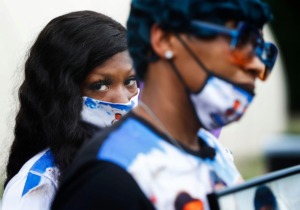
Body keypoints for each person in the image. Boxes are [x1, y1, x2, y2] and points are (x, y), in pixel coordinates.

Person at [51, 0, 278, 209]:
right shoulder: (108, 176)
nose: (259, 66)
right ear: (164, 39)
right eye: (241, 41)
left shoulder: (213, 149)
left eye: (262, 50)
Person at [2, 10, 139, 210]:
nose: (122, 100)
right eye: (100, 85)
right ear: (63, 95)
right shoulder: (40, 187)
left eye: (130, 81)